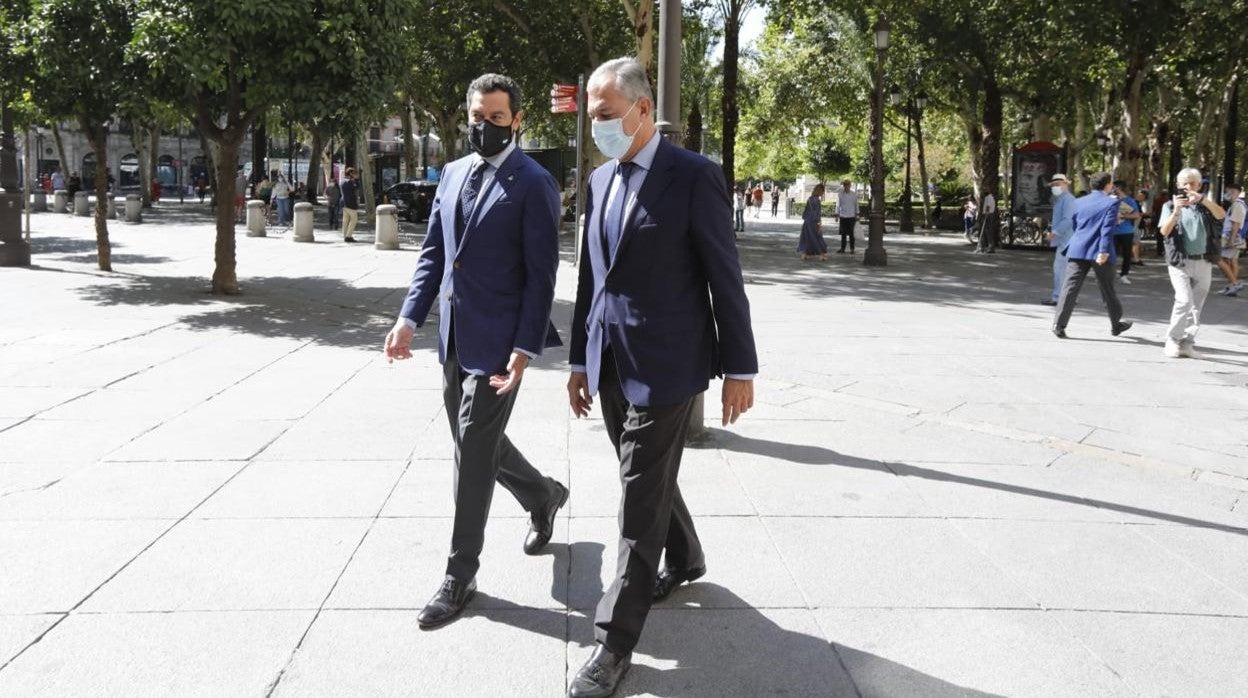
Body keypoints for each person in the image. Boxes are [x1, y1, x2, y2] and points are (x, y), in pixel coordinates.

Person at [566, 56, 758, 698]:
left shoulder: (695, 177)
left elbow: (723, 277)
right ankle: (688, 556)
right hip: (611, 360)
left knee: (636, 494)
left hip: (671, 364)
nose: (598, 127)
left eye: (606, 115)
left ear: (643, 109)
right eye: (593, 117)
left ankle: (613, 643)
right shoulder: (600, 182)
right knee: (645, 475)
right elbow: (592, 278)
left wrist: (740, 366)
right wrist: (576, 360)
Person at [383, 72, 567, 630]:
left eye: (495, 117)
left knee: (471, 451)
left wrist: (525, 347)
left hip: (501, 343)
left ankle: (459, 574)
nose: (483, 126)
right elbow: (435, 254)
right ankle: (544, 494)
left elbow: (542, 276)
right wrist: (409, 318)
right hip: (454, 335)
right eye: (476, 116)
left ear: (517, 119)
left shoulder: (534, 182)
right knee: (473, 439)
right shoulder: (453, 174)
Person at [1051, 172, 1134, 340]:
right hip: (1099, 250)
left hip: (1078, 247)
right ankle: (1116, 324)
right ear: (1108, 185)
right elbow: (1106, 228)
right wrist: (1103, 250)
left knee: (1070, 287)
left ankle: (1058, 324)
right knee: (1107, 288)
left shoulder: (1079, 201)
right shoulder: (1111, 203)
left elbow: (1075, 224)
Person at [1157, 168, 1226, 358]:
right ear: (1178, 185)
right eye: (1184, 184)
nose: (1188, 187)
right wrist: (1177, 212)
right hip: (1180, 261)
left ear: (1199, 186)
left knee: (1197, 305)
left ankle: (1187, 343)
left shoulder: (1205, 206)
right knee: (1184, 300)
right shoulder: (1170, 206)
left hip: (1204, 261)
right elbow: (1164, 231)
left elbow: (1221, 215)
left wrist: (1203, 200)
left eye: (1193, 183)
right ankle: (1172, 340)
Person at [1042, 174, 1077, 306]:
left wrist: (1055, 233)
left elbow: (1068, 220)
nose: (1055, 187)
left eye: (1058, 184)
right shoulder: (1062, 199)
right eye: (1054, 185)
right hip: (1065, 239)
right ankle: (1068, 297)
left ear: (1065, 184)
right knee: (1065, 270)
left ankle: (1058, 297)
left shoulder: (1068, 199)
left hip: (1066, 240)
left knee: (1060, 269)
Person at [1215, 183, 1246, 296]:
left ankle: (1234, 283)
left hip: (1231, 237)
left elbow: (1236, 224)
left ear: (1232, 191)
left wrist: (1231, 240)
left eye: (1227, 191)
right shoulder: (1237, 204)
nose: (1226, 194)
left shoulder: (1237, 205)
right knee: (1232, 261)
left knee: (1218, 259)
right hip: (1235, 237)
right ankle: (1231, 287)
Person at [1112, 180, 1141, 284]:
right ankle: (1110, 273)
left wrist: (1122, 216)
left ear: (1118, 188)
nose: (1111, 189)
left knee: (1127, 254)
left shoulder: (1130, 201)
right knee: (1110, 253)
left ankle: (1124, 274)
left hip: (1126, 231)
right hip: (1112, 231)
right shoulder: (1111, 200)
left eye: (1113, 187)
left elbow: (1137, 215)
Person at [798, 184, 829, 261]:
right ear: (820, 191)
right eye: (822, 192)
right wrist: (819, 223)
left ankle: (804, 254)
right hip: (813, 222)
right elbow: (817, 213)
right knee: (817, 238)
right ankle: (821, 255)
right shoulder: (817, 200)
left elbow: (806, 211)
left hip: (807, 221)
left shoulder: (810, 199)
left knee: (806, 238)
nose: (823, 193)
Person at [835, 179, 858, 254]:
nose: (847, 186)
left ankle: (852, 249)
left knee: (852, 233)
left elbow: (856, 205)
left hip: (851, 216)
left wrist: (857, 214)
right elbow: (838, 205)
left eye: (848, 185)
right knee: (843, 233)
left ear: (850, 186)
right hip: (843, 216)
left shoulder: (854, 194)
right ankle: (842, 248)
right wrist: (836, 215)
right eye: (845, 185)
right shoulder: (840, 194)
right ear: (844, 186)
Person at [340, 168, 360, 242]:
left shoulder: (342, 181)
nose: (356, 175)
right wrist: (356, 180)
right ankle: (348, 236)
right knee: (354, 219)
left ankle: (345, 235)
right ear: (351, 174)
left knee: (345, 220)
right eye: (354, 173)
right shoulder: (350, 182)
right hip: (350, 204)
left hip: (344, 203)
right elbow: (357, 187)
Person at [975, 188, 997, 252]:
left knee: (988, 231)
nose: (983, 191)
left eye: (985, 190)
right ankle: (983, 247)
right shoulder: (988, 197)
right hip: (987, 214)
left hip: (988, 215)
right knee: (985, 231)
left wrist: (986, 214)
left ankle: (990, 247)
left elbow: (988, 206)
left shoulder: (989, 197)